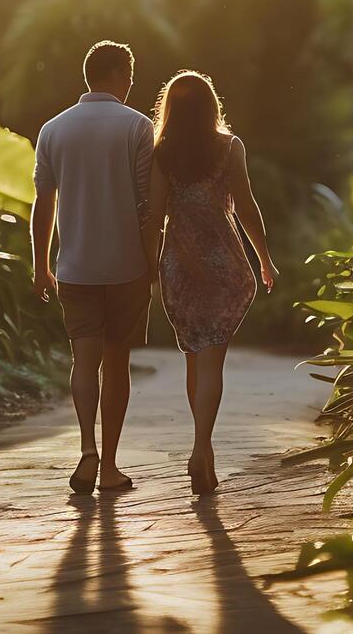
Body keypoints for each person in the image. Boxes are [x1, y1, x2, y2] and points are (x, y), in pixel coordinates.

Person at [31, 41, 157, 495]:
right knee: (116, 362)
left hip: (75, 266)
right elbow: (148, 204)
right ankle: (111, 468)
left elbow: (43, 202)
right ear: (122, 73)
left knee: (83, 361)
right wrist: (153, 262)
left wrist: (40, 266)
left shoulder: (53, 129)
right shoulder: (139, 127)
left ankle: (87, 452)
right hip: (127, 267)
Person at [147, 71, 278, 495]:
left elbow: (154, 214)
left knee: (193, 355)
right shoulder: (228, 147)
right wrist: (265, 259)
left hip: (178, 267)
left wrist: (150, 264)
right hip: (224, 265)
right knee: (211, 361)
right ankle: (203, 448)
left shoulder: (161, 153)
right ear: (211, 107)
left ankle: (201, 446)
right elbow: (246, 206)